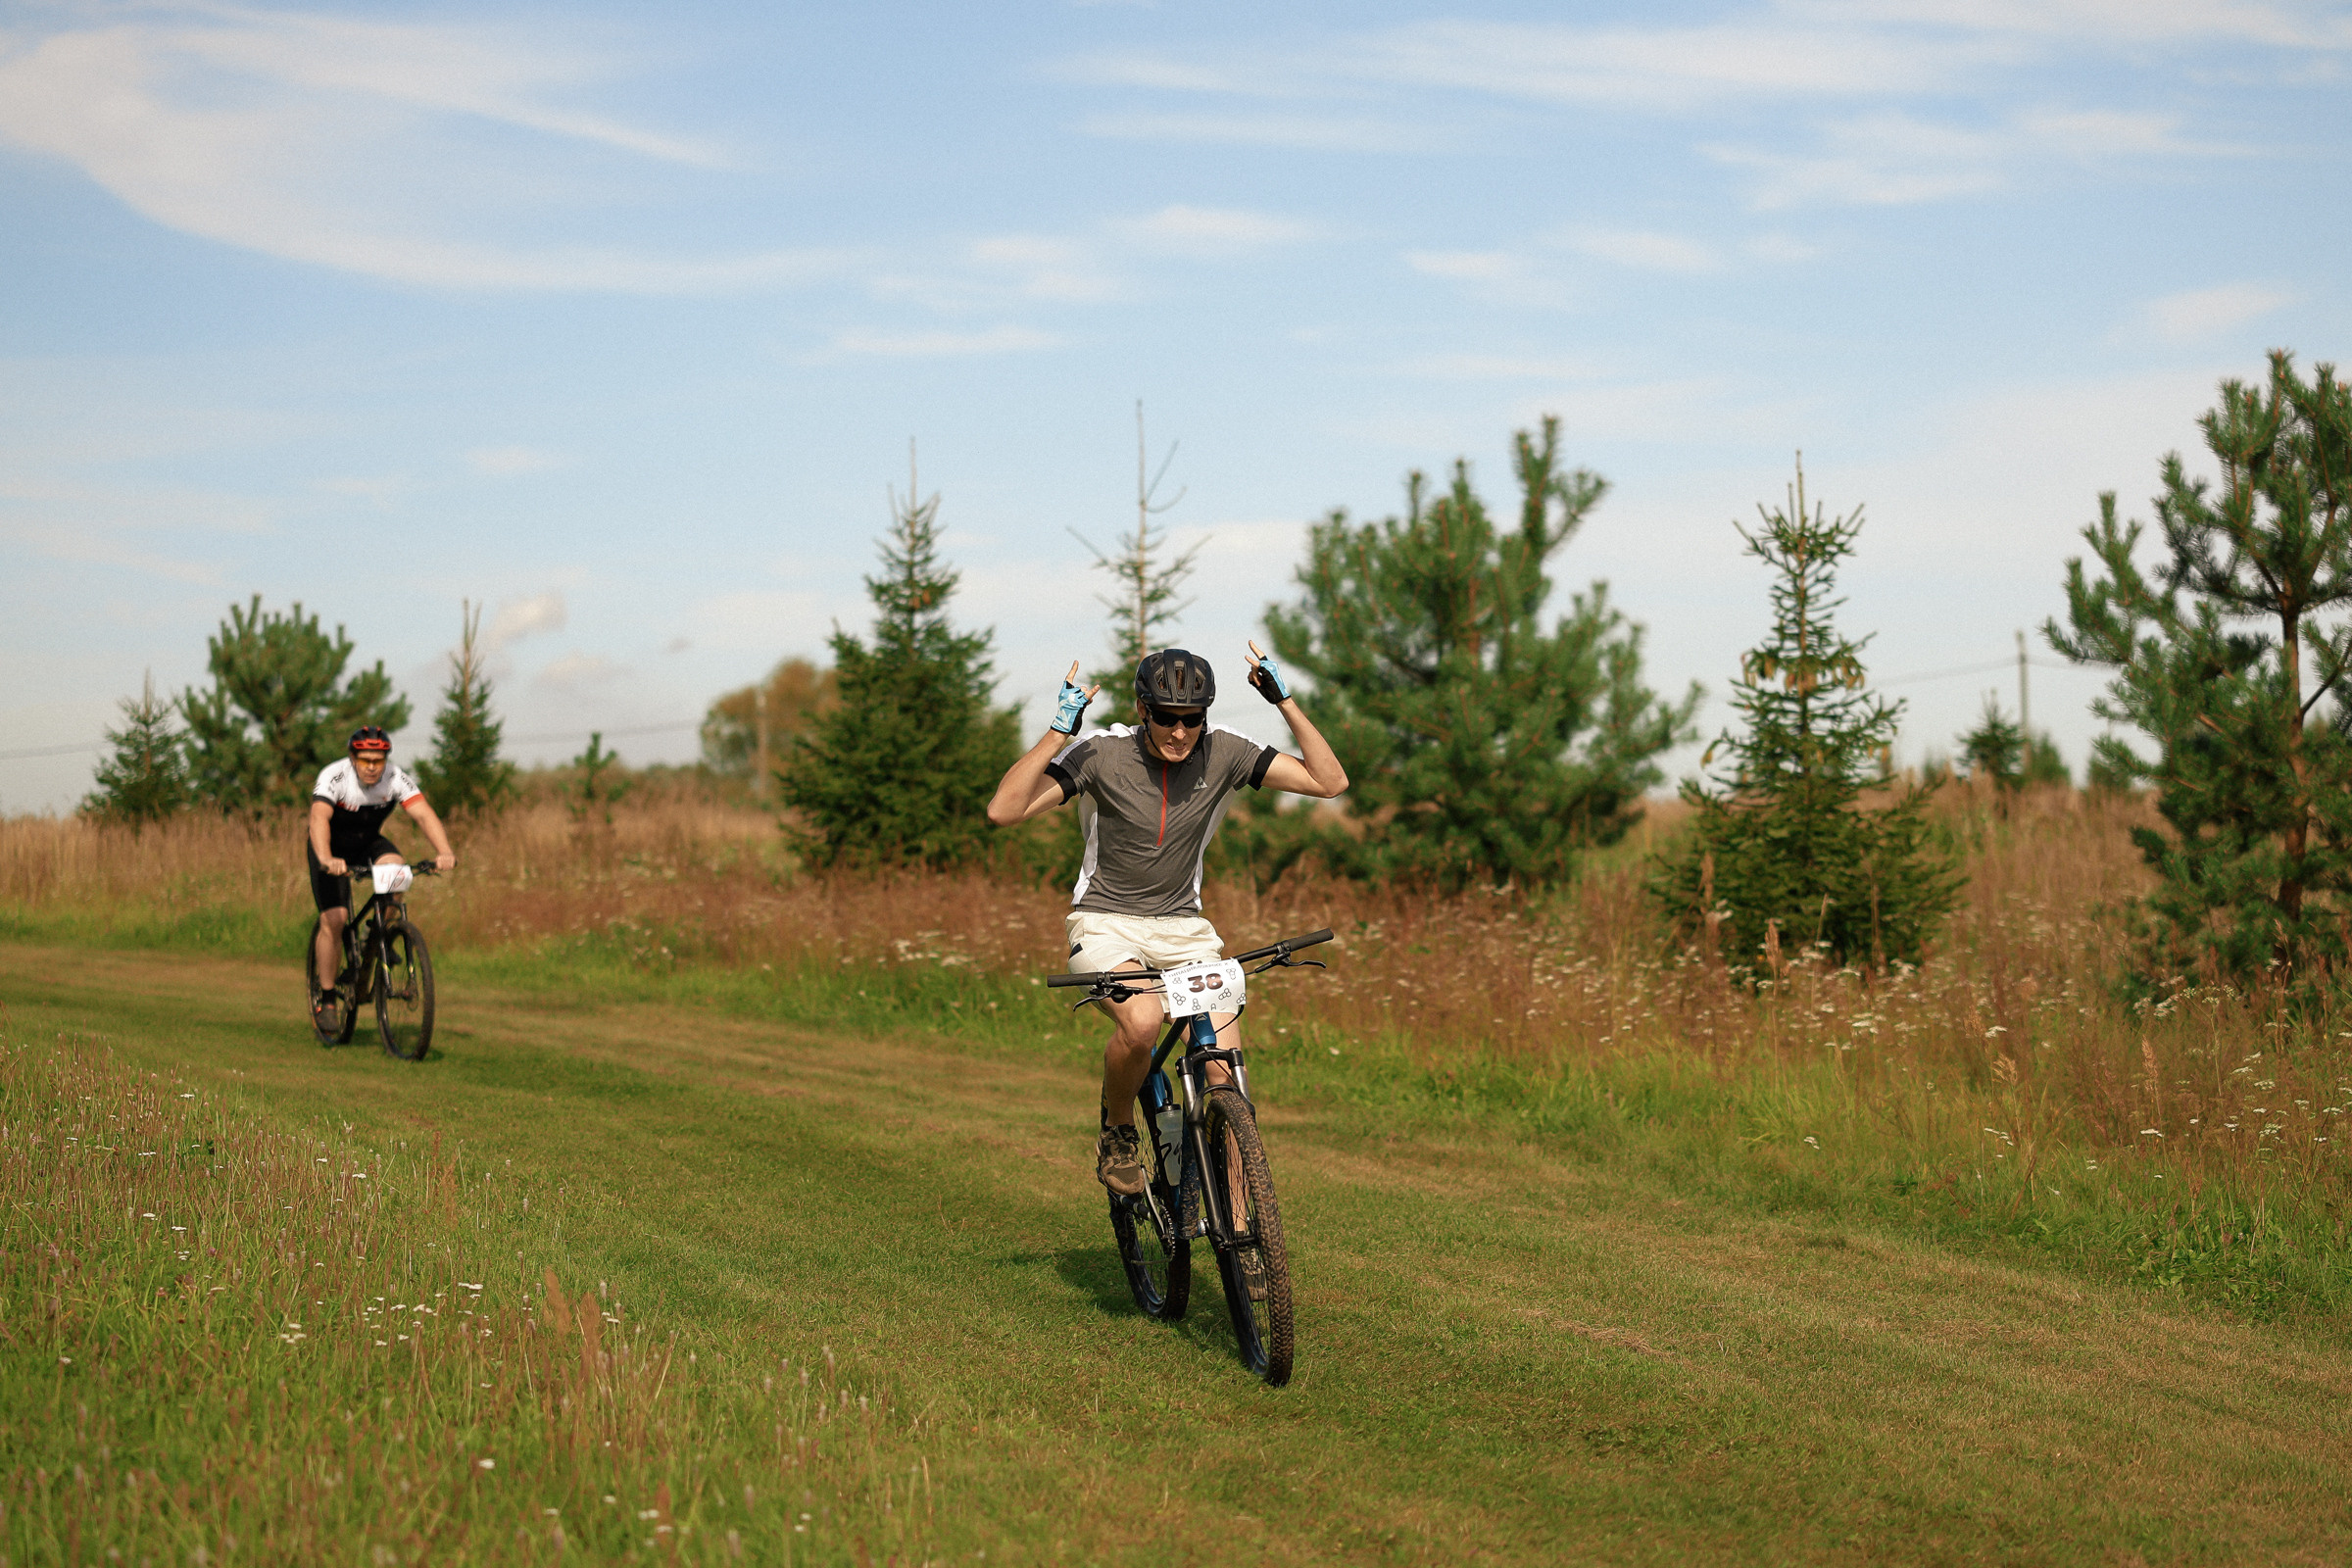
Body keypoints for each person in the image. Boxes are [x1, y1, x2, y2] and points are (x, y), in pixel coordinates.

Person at [986, 643, 1347, 1196]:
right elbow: (1004, 810)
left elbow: (1329, 783)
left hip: (1185, 930)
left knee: (1224, 1073)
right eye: (1166, 717)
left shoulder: (1224, 751)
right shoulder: (1101, 753)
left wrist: (1284, 701)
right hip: (1105, 923)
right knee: (1143, 1022)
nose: (1180, 733)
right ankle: (1118, 1131)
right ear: (1142, 709)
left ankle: (1243, 1230)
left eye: (1192, 719)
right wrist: (1059, 732)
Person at [308, 725, 456, 1026]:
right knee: (335, 919)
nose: (372, 767)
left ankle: (375, 938)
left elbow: (423, 814)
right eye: (365, 760)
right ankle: (327, 999)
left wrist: (444, 852)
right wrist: (326, 858)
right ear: (353, 758)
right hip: (330, 848)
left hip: (368, 843)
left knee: (398, 871)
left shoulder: (395, 777)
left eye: (378, 760)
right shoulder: (334, 776)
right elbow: (319, 818)